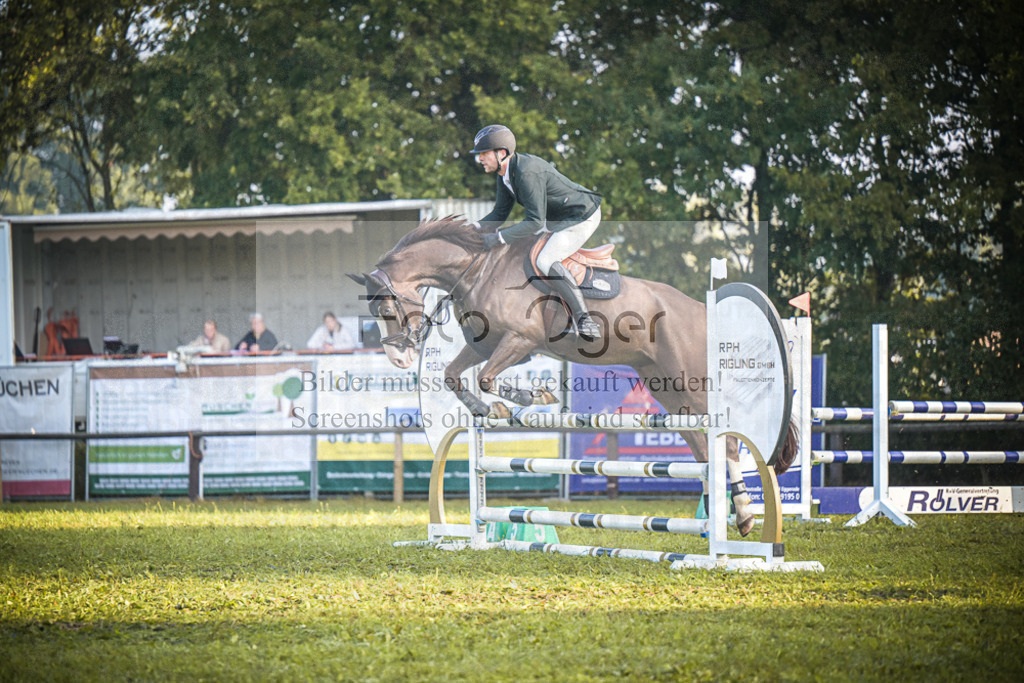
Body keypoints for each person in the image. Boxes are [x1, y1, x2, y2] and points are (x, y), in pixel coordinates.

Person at [471, 124, 603, 340]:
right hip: (561, 219)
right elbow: (499, 213)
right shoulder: (505, 175)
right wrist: (472, 229)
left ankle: (585, 320)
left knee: (545, 260)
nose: (480, 159)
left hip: (581, 215)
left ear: (501, 153)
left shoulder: (526, 171)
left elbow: (534, 222)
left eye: (483, 154)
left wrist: (498, 238)